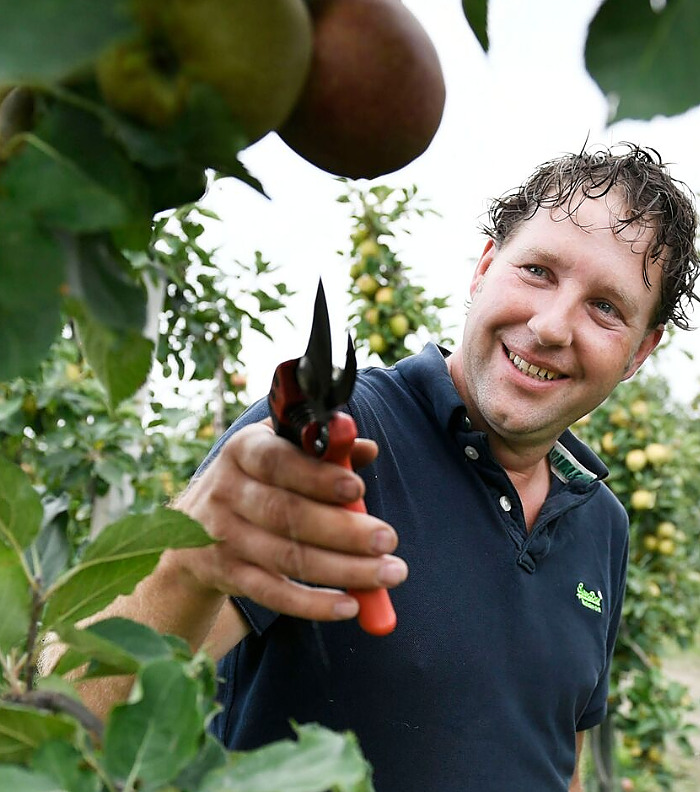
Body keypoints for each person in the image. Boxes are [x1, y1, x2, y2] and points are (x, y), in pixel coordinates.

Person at [77, 144, 699, 791]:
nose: (550, 325)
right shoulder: (326, 445)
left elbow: (558, 750)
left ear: (638, 353)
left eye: (605, 307)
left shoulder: (601, 522)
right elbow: (83, 716)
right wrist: (186, 564)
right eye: (538, 270)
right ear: (484, 270)